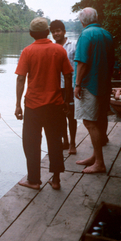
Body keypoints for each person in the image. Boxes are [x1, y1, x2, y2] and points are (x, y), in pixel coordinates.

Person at [15, 17, 73, 191]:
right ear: (48, 32)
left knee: (31, 142)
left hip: (33, 105)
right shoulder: (59, 50)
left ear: (32, 34)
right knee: (55, 142)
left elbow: (20, 78)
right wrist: (67, 100)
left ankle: (34, 180)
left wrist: (17, 104)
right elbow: (69, 76)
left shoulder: (27, 51)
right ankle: (55, 180)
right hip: (55, 104)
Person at [73, 8, 114, 174]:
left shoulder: (85, 34)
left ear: (83, 21)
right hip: (104, 84)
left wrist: (77, 84)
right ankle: (95, 157)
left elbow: (82, 62)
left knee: (90, 122)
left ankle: (100, 163)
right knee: (100, 117)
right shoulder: (106, 34)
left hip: (89, 84)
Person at [50, 19, 77, 155]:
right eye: (53, 32)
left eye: (58, 31)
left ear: (64, 31)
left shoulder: (74, 46)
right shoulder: (52, 48)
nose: (56, 33)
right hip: (57, 87)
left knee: (71, 116)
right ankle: (64, 141)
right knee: (59, 117)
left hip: (71, 86)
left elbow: (79, 65)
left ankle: (73, 143)